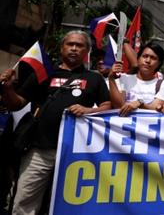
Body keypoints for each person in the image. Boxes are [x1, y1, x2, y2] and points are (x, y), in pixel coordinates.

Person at [0, 31, 111, 215]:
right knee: (24, 202)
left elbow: (108, 106)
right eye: (70, 44)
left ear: (87, 51)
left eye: (80, 45)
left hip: (75, 154)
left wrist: (89, 110)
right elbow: (17, 103)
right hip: (39, 150)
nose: (74, 48)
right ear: (62, 48)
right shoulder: (44, 73)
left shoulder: (95, 78)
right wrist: (8, 88)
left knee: (65, 206)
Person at [109, 42, 164, 116]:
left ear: (159, 63)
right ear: (138, 59)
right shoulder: (124, 79)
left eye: (153, 58)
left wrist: (139, 103)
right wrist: (111, 78)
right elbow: (118, 106)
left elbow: (154, 109)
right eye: (145, 56)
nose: (148, 61)